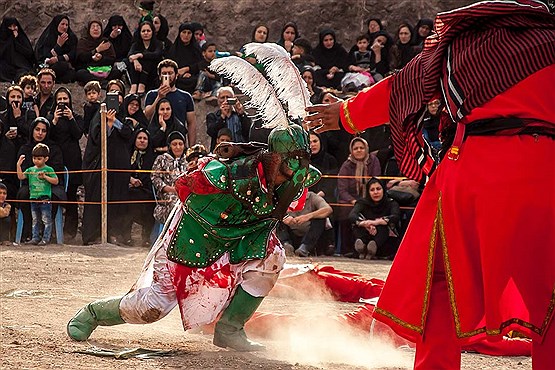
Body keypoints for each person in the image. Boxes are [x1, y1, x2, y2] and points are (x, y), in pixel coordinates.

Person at [305, 1, 555, 368]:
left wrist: (346, 114)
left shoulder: (462, 44)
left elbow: (401, 86)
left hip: (472, 171)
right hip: (545, 173)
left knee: (439, 282)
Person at [66, 49, 320, 352]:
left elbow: (284, 206)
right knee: (152, 307)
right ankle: (94, 312)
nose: (294, 175)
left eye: (300, 167)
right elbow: (188, 185)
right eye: (291, 165)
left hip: (239, 237)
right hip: (191, 234)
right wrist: (212, 177)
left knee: (274, 257)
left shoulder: (295, 180)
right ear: (275, 157)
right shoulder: (230, 171)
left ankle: (230, 329)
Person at [81, 93, 132, 245]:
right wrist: (107, 125)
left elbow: (128, 133)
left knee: (116, 201)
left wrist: (114, 121)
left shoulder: (122, 119)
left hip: (117, 169)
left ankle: (114, 234)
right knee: (97, 200)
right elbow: (97, 138)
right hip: (99, 168)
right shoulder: (98, 117)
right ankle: (94, 235)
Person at [47, 87, 84, 240]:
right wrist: (54, 120)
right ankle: (52, 231)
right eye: (59, 99)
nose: (62, 102)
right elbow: (47, 135)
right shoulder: (50, 117)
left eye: (65, 99)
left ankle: (70, 231)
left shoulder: (76, 117)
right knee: (53, 194)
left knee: (71, 197)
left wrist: (70, 119)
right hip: (55, 160)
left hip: (72, 159)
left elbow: (78, 134)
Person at [144, 59, 197, 146]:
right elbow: (147, 116)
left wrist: (191, 147)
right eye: (164, 73)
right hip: (157, 141)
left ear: (176, 75)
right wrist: (159, 97)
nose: (167, 76)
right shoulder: (152, 94)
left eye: (170, 73)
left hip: (178, 143)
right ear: (160, 76)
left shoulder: (185, 96)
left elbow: (191, 123)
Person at [16, 143, 59, 245]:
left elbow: (56, 181)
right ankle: (35, 238)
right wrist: (18, 165)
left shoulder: (49, 169)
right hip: (33, 198)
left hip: (44, 199)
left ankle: (46, 238)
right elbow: (21, 177)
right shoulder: (31, 170)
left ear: (46, 159)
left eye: (39, 158)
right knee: (35, 220)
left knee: (46, 219)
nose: (36, 161)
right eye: (34, 158)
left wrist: (45, 177)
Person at [121, 128, 156, 246]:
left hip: (146, 189)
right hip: (128, 187)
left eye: (145, 138)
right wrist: (130, 179)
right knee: (128, 198)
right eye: (139, 138)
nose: (142, 141)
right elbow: (122, 171)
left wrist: (141, 182)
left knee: (148, 202)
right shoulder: (127, 153)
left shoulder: (152, 156)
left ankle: (146, 237)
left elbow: (153, 175)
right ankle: (126, 236)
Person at [350, 177, 399, 260]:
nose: (376, 192)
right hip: (366, 230)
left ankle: (372, 248)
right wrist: (365, 224)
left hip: (382, 235)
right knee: (357, 226)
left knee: (383, 228)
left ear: (383, 189)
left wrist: (376, 222)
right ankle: (363, 248)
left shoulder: (391, 202)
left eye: (378, 189)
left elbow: (395, 216)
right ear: (368, 192)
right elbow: (352, 215)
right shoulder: (362, 202)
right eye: (372, 190)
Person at [278, 190, 334, 257]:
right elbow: (272, 211)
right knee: (276, 220)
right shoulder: (284, 197)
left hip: (310, 235)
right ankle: (286, 245)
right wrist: (284, 217)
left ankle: (304, 248)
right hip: (291, 233)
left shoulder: (312, 196)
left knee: (321, 218)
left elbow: (328, 209)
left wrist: (308, 216)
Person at [150, 131, 187, 225]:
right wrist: (168, 189)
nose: (178, 147)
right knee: (177, 205)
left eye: (180, 144)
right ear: (169, 146)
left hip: (185, 193)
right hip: (167, 195)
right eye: (174, 144)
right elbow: (155, 177)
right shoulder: (162, 159)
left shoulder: (187, 160)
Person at [34, 15, 77, 83]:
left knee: (71, 72)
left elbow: (73, 54)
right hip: (49, 66)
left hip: (66, 66)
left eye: (67, 25)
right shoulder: (48, 37)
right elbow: (45, 56)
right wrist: (58, 45)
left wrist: (58, 58)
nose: (65, 27)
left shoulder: (71, 37)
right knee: (60, 66)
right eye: (62, 24)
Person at [206, 86, 250, 151]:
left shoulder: (239, 114)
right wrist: (222, 117)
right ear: (218, 100)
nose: (225, 100)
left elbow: (248, 131)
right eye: (222, 98)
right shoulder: (212, 116)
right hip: (222, 152)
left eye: (228, 97)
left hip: (241, 151)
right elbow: (211, 132)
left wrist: (242, 114)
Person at [74, 20, 117, 84]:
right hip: (88, 70)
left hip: (104, 70)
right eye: (93, 27)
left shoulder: (105, 42)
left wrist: (101, 58)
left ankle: (98, 82)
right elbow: (81, 58)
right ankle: (101, 82)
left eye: (98, 27)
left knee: (117, 72)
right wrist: (96, 50)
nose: (96, 29)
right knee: (80, 73)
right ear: (89, 30)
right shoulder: (83, 41)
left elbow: (112, 59)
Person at [126, 20, 163, 95]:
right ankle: (134, 85)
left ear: (152, 32)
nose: (146, 33)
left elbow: (157, 54)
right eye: (143, 31)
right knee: (132, 61)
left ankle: (142, 85)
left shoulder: (158, 43)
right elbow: (130, 55)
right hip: (137, 72)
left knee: (147, 59)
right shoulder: (136, 44)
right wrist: (136, 60)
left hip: (152, 72)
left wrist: (140, 55)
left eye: (148, 31)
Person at [167, 22, 203, 94]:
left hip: (192, 76)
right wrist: (179, 73)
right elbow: (169, 64)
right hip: (177, 76)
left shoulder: (196, 49)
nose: (186, 35)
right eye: (184, 32)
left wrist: (187, 69)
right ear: (180, 33)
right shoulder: (174, 49)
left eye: (189, 33)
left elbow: (200, 64)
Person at [0, 17, 35, 82]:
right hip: (6, 66)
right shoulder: (2, 39)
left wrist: (16, 41)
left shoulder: (21, 38)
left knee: (24, 74)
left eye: (14, 26)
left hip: (21, 66)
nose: (13, 29)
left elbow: (29, 54)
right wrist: (12, 40)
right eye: (10, 27)